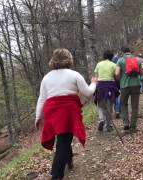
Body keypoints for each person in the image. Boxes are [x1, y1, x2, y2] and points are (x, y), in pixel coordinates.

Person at [35, 48, 97, 180]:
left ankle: (69, 161)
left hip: (51, 111)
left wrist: (38, 116)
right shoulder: (74, 75)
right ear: (69, 59)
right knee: (63, 140)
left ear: (53, 60)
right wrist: (93, 83)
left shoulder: (47, 77)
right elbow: (88, 93)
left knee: (63, 138)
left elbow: (42, 98)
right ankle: (56, 175)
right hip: (67, 111)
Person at [115, 47, 141, 133]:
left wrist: (120, 80)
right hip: (136, 85)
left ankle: (126, 124)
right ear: (130, 52)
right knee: (135, 106)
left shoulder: (120, 60)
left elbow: (117, 73)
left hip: (124, 86)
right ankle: (133, 126)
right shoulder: (137, 60)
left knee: (123, 105)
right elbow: (141, 72)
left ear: (122, 52)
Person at [94, 50, 119, 132]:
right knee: (109, 106)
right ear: (111, 57)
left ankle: (101, 119)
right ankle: (109, 125)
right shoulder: (114, 65)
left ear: (104, 56)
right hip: (110, 86)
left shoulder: (98, 64)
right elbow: (116, 76)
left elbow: (96, 77)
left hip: (100, 86)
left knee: (100, 105)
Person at [112, 51, 122, 118]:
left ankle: (116, 110)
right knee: (118, 95)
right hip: (119, 80)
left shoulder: (112, 61)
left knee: (115, 96)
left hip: (112, 81)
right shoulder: (120, 60)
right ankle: (118, 110)